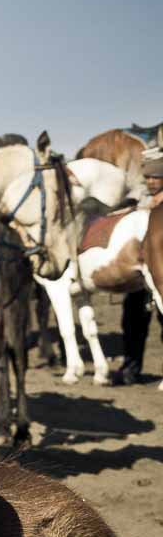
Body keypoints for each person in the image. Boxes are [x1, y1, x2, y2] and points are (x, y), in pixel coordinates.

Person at [110, 148, 163, 386]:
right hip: (138, 271)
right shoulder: (141, 201)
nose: (151, 182)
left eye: (156, 177)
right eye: (148, 177)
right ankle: (131, 369)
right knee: (132, 322)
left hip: (160, 271)